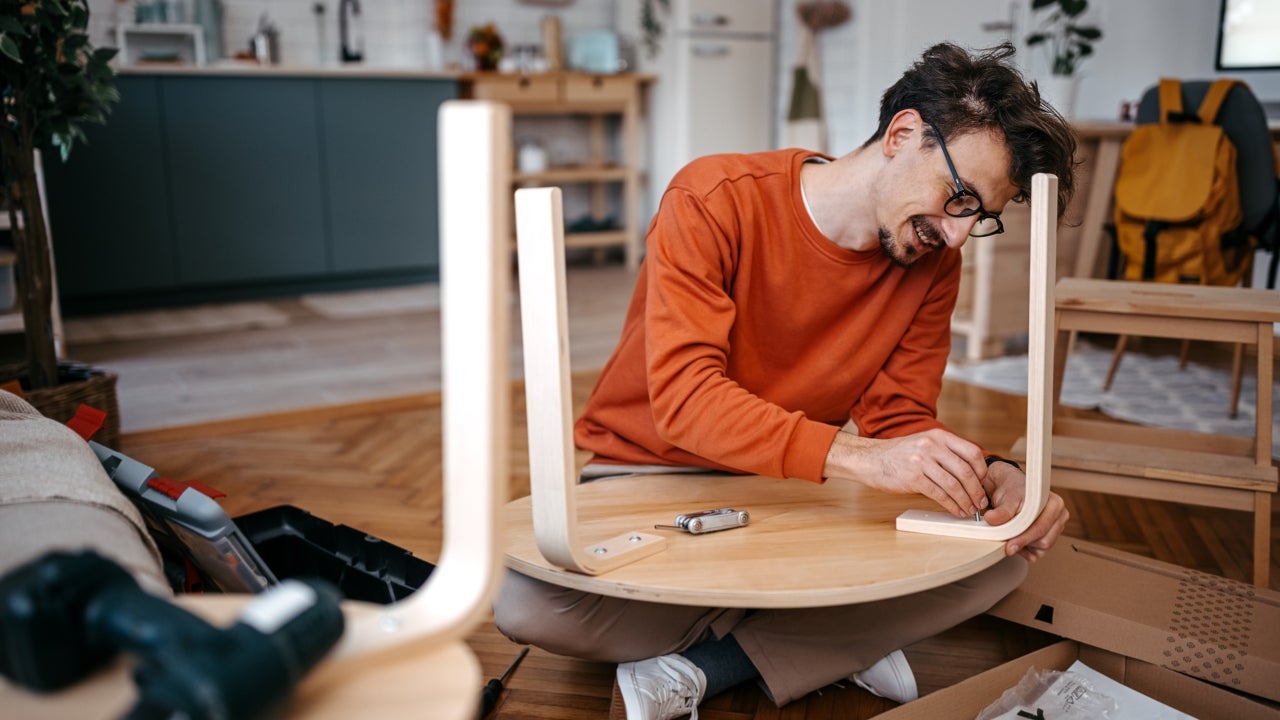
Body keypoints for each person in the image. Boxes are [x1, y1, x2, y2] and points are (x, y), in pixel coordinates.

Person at [494, 41, 1076, 719]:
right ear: (902, 134)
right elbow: (685, 402)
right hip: (649, 476)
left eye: (980, 217)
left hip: (794, 488)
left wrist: (994, 477)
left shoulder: (930, 261)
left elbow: (899, 420)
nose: (954, 236)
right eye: (960, 198)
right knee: (529, 606)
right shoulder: (712, 197)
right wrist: (858, 458)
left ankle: (713, 664)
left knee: (1002, 559)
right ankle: (834, 636)